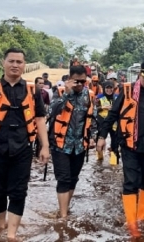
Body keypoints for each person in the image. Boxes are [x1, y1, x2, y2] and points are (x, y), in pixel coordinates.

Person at [0, 48, 49, 241]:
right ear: (3, 63)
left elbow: (39, 119)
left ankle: (11, 235)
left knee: (19, 191)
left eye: (19, 62)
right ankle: (0, 227)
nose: (15, 65)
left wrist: (44, 146)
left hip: (23, 149)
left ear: (24, 65)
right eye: (11, 61)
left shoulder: (33, 90)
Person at [96, 61, 144, 237]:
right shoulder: (127, 90)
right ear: (140, 75)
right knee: (131, 181)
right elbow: (113, 114)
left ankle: (141, 217)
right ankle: (131, 223)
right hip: (130, 145)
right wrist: (101, 136)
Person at [48, 65, 96, 220]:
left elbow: (93, 119)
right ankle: (63, 216)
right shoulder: (60, 92)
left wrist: (94, 136)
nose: (80, 84)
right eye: (77, 81)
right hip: (61, 144)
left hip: (80, 145)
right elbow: (51, 112)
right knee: (63, 179)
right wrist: (67, 94)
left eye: (83, 81)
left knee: (73, 178)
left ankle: (65, 208)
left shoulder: (89, 95)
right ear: (70, 79)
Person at [95, 81, 119, 164]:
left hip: (114, 122)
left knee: (115, 141)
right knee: (100, 141)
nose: (109, 90)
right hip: (102, 122)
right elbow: (94, 110)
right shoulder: (99, 97)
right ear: (104, 88)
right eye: (107, 88)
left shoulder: (117, 97)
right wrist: (102, 107)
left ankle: (114, 162)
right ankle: (100, 159)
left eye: (111, 88)